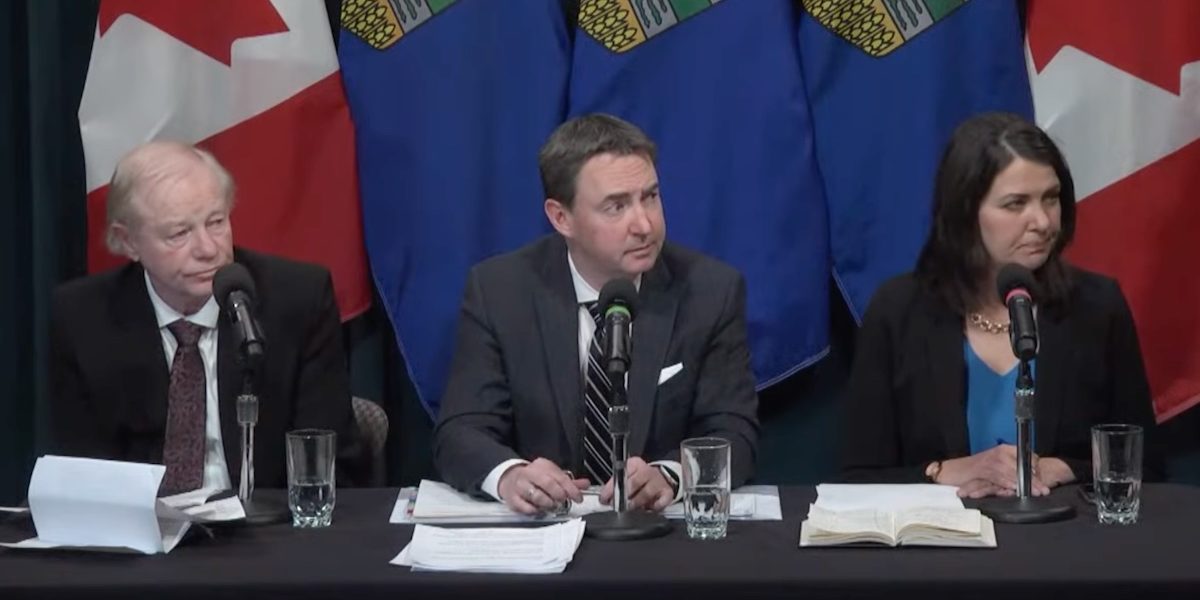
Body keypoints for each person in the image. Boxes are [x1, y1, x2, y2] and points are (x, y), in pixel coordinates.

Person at [434, 114, 759, 514]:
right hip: (541, 541)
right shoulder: (500, 291)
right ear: (561, 217)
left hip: (660, 544)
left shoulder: (710, 291)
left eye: (651, 197)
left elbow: (733, 431)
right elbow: (461, 430)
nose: (644, 224)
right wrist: (511, 475)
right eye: (616, 206)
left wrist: (672, 475)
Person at [840, 112, 1163, 498]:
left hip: (1064, 546)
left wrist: (1061, 467)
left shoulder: (1097, 306)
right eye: (1015, 204)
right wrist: (944, 472)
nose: (1042, 221)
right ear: (965, 213)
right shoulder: (899, 310)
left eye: (1051, 198)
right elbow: (856, 479)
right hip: (938, 552)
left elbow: (1147, 466)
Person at [49, 141, 364, 493]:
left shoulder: (297, 300)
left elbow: (327, 462)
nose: (208, 249)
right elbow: (83, 474)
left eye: (216, 222)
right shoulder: (83, 318)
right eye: (179, 233)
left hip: (267, 533)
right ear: (129, 241)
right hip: (144, 535)